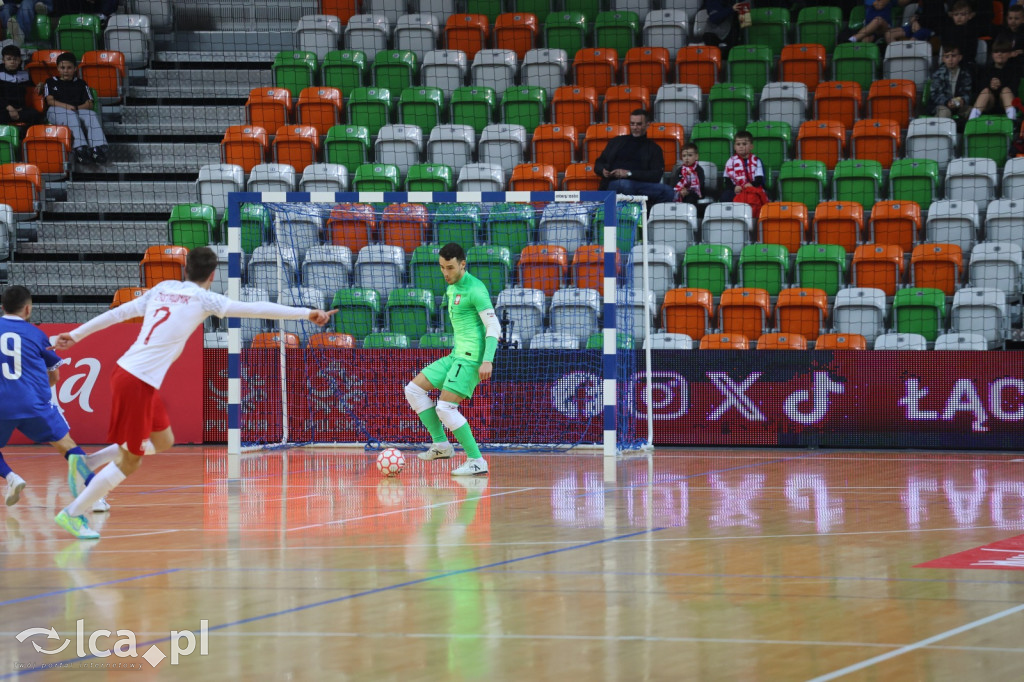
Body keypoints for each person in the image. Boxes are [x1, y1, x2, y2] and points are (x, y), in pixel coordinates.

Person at [52, 247, 336, 539]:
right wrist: (306, 313)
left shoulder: (162, 288)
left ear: (184, 269)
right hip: (135, 381)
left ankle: (86, 463)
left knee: (163, 441)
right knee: (131, 459)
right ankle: (72, 514)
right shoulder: (205, 299)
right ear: (213, 276)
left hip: (132, 375)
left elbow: (120, 313)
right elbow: (255, 308)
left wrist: (76, 334)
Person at [0, 285, 97, 508]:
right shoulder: (36, 334)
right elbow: (55, 374)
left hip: (1, 403)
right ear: (27, 309)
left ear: (3, 307)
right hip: (33, 402)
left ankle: (11, 477)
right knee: (67, 445)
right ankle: (96, 494)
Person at [407, 242, 498, 477]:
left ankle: (477, 461)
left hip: (471, 359)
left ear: (462, 264)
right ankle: (442, 446)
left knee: (446, 407)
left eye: (449, 267)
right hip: (456, 355)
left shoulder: (475, 289)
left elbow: (493, 326)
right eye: (441, 268)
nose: (445, 273)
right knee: (413, 390)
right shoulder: (451, 287)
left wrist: (486, 360)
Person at [593, 108, 675, 206]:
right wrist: (602, 171)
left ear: (648, 124)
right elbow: (598, 163)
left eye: (639, 124)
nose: (635, 127)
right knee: (623, 184)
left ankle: (648, 218)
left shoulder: (654, 148)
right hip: (615, 183)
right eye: (632, 124)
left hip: (641, 186)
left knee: (668, 191)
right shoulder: (616, 142)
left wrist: (628, 174)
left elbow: (656, 175)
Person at [42, 51, 108, 165]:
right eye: (62, 67)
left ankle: (97, 149)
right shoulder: (51, 81)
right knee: (71, 115)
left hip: (77, 110)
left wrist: (76, 108)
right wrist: (68, 107)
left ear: (75, 68)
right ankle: (80, 150)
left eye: (69, 67)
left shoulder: (81, 83)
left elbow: (90, 104)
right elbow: (50, 101)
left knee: (91, 115)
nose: (66, 71)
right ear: (58, 68)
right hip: (56, 110)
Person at [969, 40, 1022, 120]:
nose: (999, 54)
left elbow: (1014, 90)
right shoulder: (985, 70)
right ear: (992, 54)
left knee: (1006, 91)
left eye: (1003, 51)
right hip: (989, 105)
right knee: (985, 91)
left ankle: (1012, 121)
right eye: (996, 51)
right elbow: (979, 90)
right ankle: (971, 121)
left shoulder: (1014, 70)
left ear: (1009, 54)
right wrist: (990, 86)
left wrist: (1000, 86)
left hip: (1006, 104)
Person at [720, 130, 768, 218]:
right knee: (725, 196)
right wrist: (734, 188)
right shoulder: (730, 161)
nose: (741, 147)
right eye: (738, 144)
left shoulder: (756, 160)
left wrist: (751, 185)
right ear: (734, 146)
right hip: (736, 190)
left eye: (744, 144)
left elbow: (759, 179)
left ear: (751, 146)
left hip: (752, 189)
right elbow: (726, 181)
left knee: (755, 197)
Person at [0, 44, 42, 126]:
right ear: (3, 60)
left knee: (36, 115)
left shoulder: (25, 75)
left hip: (21, 110)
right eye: (9, 59)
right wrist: (9, 108)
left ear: (19, 61)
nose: (12, 62)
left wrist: (41, 84)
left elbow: (35, 86)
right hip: (4, 109)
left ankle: (24, 136)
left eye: (15, 59)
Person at [928, 44, 973, 120]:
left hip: (959, 106)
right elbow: (934, 94)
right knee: (945, 112)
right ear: (943, 59)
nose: (950, 59)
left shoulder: (965, 74)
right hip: (942, 105)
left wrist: (963, 100)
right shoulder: (938, 74)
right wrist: (947, 102)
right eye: (947, 56)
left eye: (953, 56)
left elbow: (967, 92)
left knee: (972, 111)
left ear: (960, 57)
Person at [672, 142, 708, 219]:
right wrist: (681, 191)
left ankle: (690, 218)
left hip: (696, 193)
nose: (687, 158)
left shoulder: (699, 170)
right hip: (681, 193)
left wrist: (688, 191)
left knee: (690, 198)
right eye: (684, 156)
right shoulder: (679, 170)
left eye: (690, 155)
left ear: (696, 157)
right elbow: (675, 183)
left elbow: (700, 184)